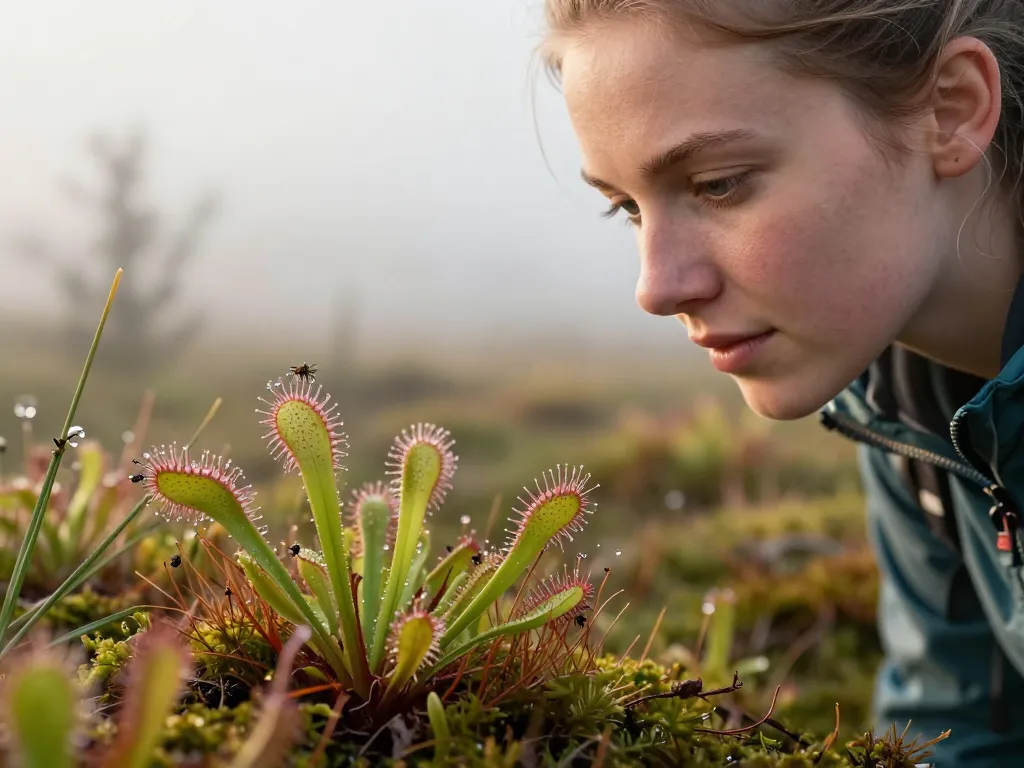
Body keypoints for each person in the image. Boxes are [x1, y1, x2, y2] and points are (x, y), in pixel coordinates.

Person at [539, 2, 1024, 764]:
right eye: (627, 208)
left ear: (952, 109)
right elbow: (962, 731)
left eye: (720, 185)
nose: (657, 287)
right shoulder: (904, 402)